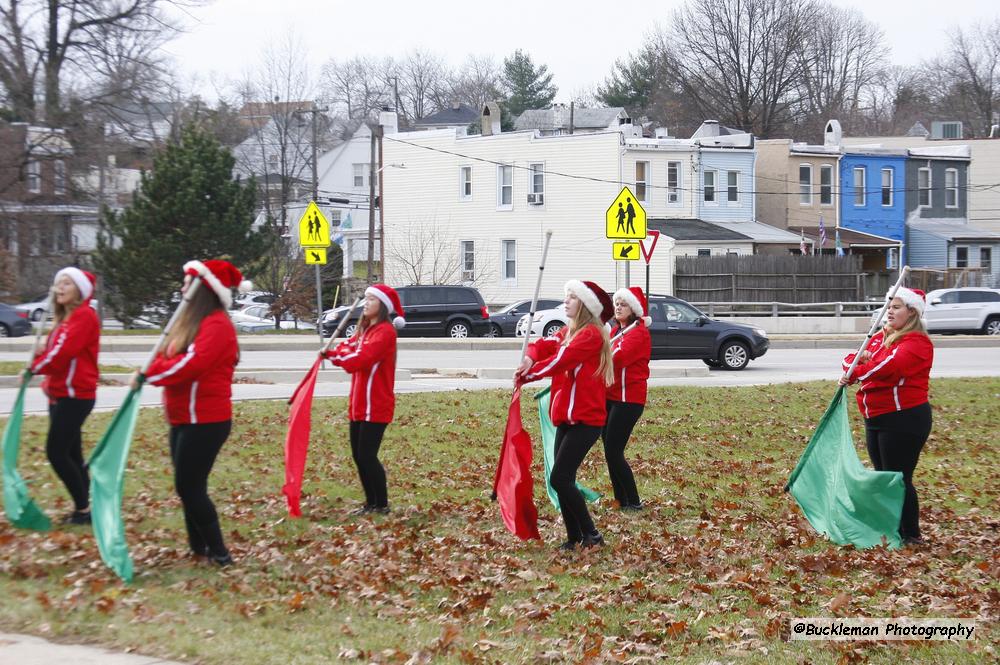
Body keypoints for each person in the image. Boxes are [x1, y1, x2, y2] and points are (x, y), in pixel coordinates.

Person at [143, 260, 248, 566]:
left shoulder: (216, 325)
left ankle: (220, 553)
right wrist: (156, 369)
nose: (181, 287)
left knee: (189, 486)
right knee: (188, 486)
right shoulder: (191, 323)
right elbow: (166, 358)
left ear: (203, 288)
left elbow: (190, 365)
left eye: (187, 282)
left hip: (206, 420)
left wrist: (152, 373)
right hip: (182, 418)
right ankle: (199, 549)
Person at [515, 280, 614, 550]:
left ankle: (591, 535)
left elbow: (562, 359)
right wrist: (530, 358)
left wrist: (529, 375)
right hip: (566, 418)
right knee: (560, 479)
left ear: (584, 305)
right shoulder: (568, 331)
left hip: (587, 420)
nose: (566, 301)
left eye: (572, 297)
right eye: (566, 296)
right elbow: (545, 345)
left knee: (560, 477)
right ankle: (574, 538)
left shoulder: (591, 334)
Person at [839, 286, 934, 546]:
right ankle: (891, 528)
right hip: (877, 418)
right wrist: (856, 365)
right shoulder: (882, 337)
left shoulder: (916, 343)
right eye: (888, 306)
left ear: (912, 312)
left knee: (899, 477)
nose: (889, 312)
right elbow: (850, 359)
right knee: (883, 476)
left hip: (904, 418)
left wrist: (858, 370)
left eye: (896, 307)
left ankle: (910, 535)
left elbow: (885, 368)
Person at [27, 267, 100, 525]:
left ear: (79, 290)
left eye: (66, 283)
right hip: (59, 394)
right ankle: (88, 506)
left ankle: (83, 509)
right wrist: (39, 354)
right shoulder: (67, 318)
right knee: (72, 453)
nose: (60, 288)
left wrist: (34, 366)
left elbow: (61, 354)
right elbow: (54, 351)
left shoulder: (84, 316)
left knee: (56, 452)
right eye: (58, 283)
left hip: (75, 394)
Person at [324, 284, 405, 515]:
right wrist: (331, 353)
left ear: (382, 306)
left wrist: (336, 358)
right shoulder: (365, 330)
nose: (366, 303)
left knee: (368, 456)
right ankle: (370, 503)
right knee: (358, 456)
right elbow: (348, 347)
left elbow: (360, 359)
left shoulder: (385, 332)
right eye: (366, 299)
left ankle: (382, 504)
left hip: (376, 404)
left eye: (371, 299)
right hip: (359, 404)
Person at [603, 286, 652, 512]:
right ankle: (620, 499)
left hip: (628, 400)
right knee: (609, 449)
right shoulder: (615, 331)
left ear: (634, 308)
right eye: (617, 303)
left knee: (614, 450)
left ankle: (633, 500)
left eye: (623, 304)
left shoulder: (638, 333)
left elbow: (617, 358)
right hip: (611, 397)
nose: (618, 307)